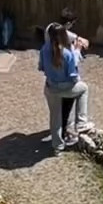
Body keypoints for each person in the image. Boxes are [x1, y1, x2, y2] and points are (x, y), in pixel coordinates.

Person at [38, 22, 89, 152]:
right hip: (66, 87)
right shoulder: (67, 53)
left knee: (55, 118)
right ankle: (82, 123)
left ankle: (58, 147)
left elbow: (42, 68)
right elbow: (72, 75)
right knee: (84, 89)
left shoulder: (44, 49)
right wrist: (77, 51)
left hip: (50, 87)